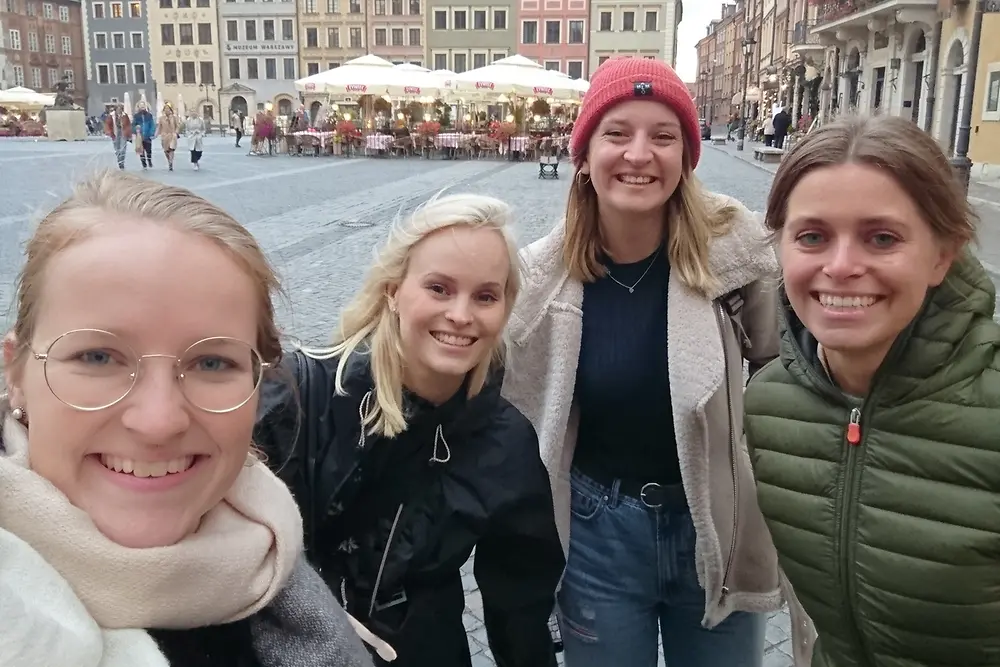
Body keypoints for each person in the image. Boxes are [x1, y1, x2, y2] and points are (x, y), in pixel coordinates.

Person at [0, 170, 375, 667]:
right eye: (98, 357)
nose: (158, 421)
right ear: (16, 372)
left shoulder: (279, 575)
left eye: (212, 363)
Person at [501, 57, 794, 667]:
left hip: (713, 522)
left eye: (664, 136)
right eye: (617, 133)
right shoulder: (539, 277)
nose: (640, 154)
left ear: (687, 157)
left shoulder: (735, 253)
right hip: (598, 532)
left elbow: (784, 374)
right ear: (583, 154)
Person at [254, 193, 566, 667]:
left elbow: (520, 602)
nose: (461, 315)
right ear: (393, 291)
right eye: (439, 288)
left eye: (485, 296)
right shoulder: (300, 396)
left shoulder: (506, 442)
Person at [744, 114, 999, 665]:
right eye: (812, 236)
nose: (840, 267)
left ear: (942, 254)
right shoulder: (769, 403)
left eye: (881, 238)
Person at [103, 104, 131, 170]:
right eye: (118, 109)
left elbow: (128, 125)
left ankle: (122, 162)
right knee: (117, 149)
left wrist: (129, 134)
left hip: (123, 133)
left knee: (123, 149)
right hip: (115, 133)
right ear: (116, 109)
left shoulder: (125, 115)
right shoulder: (111, 115)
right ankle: (119, 161)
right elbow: (107, 124)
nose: (119, 110)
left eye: (120, 109)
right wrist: (108, 132)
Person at [157, 103, 181, 171]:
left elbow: (178, 126)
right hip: (164, 136)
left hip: (172, 135)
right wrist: (155, 135)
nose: (167, 110)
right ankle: (169, 161)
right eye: (165, 109)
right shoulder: (161, 118)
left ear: (171, 110)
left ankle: (171, 163)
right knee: (166, 151)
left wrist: (176, 132)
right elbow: (159, 127)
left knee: (171, 149)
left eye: (168, 109)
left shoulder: (174, 118)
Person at [133, 101, 156, 170]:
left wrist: (151, 132)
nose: (142, 108)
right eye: (141, 106)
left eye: (143, 106)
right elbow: (133, 125)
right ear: (139, 107)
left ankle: (149, 160)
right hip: (140, 135)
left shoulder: (149, 115)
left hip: (147, 135)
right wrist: (135, 130)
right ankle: (144, 163)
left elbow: (152, 124)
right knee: (141, 150)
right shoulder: (136, 116)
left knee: (148, 149)